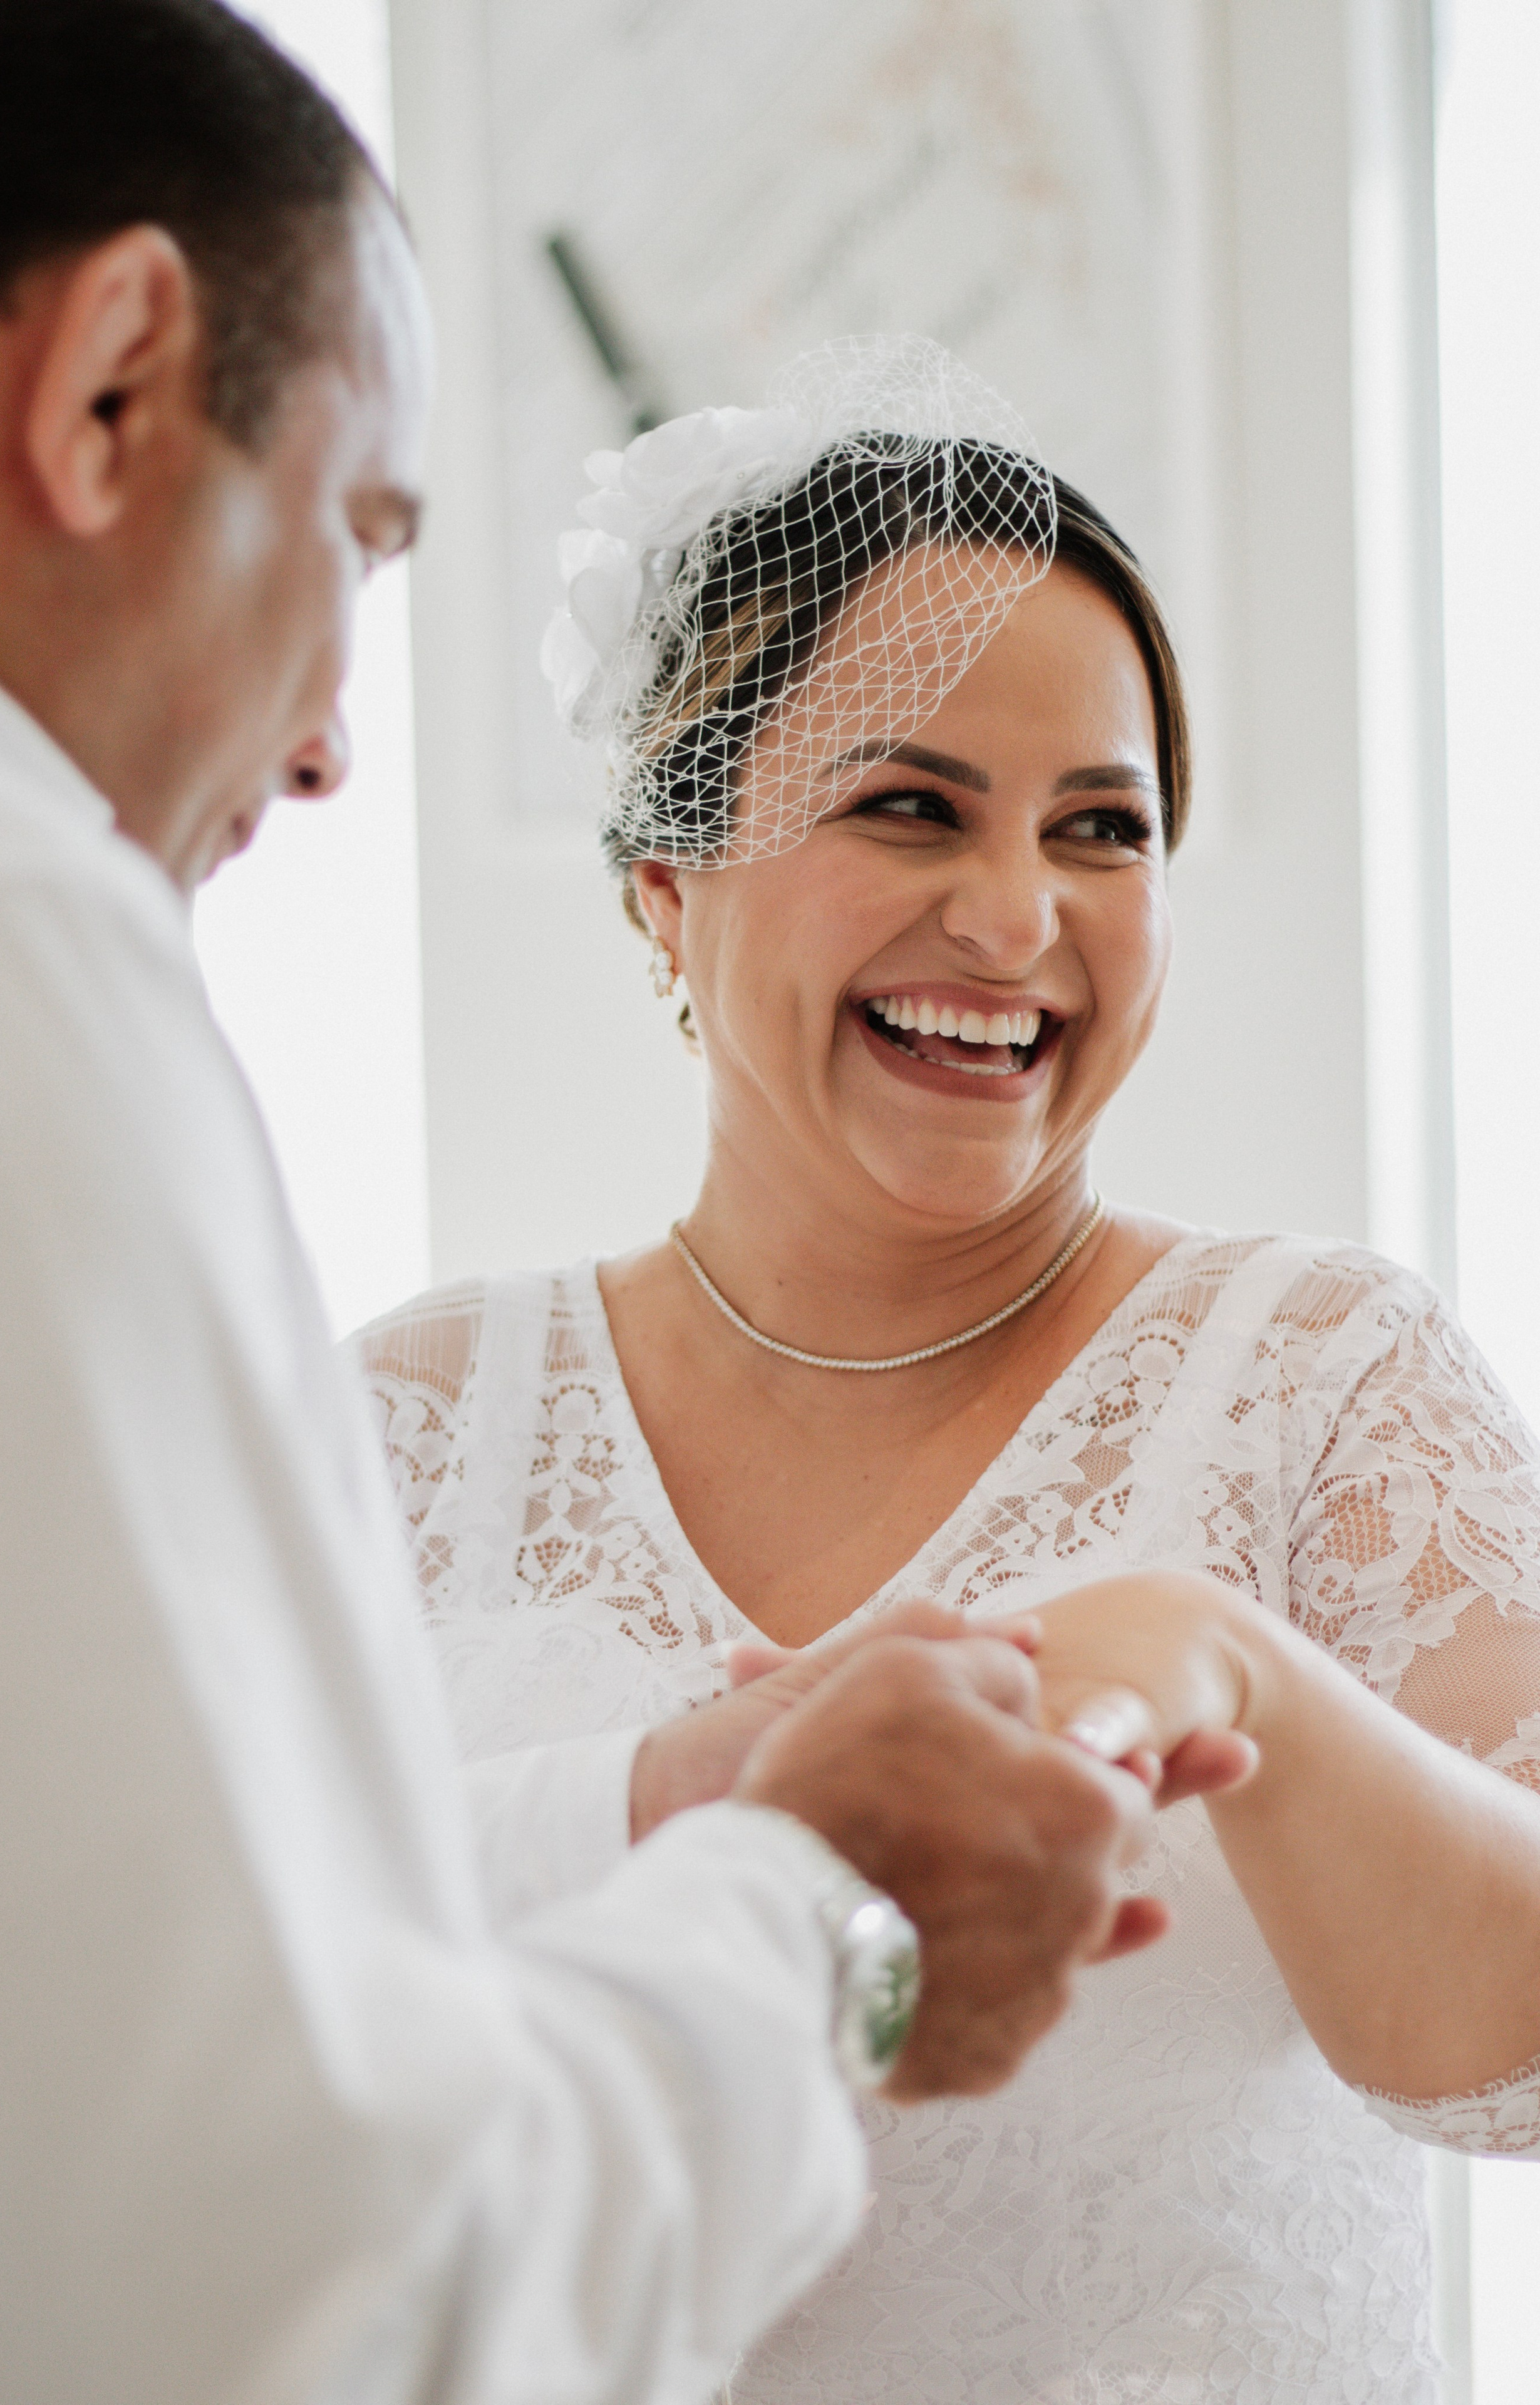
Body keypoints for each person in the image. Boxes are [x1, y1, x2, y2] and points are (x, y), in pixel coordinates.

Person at [0, 13, 1245, 2402]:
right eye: (358, 536)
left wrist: (669, 1801)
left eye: (1106, 826)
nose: (331, 733)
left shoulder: (1313, 1364)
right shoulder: (16, 964)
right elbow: (289, 2287)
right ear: (114, 377)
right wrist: (816, 1911)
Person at [355, 352, 1540, 2402]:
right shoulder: (405, 1426)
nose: (1018, 920)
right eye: (911, 807)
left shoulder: (1322, 1371)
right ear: (667, 876)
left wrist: (1219, 1660)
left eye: (1107, 829)